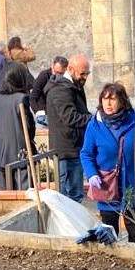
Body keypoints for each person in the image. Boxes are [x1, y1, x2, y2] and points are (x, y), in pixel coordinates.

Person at [80, 82, 135, 242]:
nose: (108, 103)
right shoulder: (94, 125)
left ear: (122, 101)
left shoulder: (134, 122)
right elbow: (86, 154)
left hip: (132, 186)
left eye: (113, 99)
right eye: (104, 99)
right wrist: (92, 174)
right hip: (107, 186)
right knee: (109, 232)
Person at [46, 54, 92, 202]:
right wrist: (93, 119)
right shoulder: (61, 89)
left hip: (74, 146)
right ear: (70, 69)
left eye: (87, 73)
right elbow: (70, 117)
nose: (85, 77)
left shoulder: (74, 86)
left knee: (76, 195)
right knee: (66, 197)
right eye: (82, 73)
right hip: (65, 149)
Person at [0, 64, 35, 190]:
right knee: (23, 196)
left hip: (0, 154)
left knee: (3, 196)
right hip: (20, 154)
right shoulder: (21, 99)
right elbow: (29, 127)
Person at [30, 56, 68, 125]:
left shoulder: (66, 79)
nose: (57, 75)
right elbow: (33, 96)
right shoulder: (44, 76)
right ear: (52, 66)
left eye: (61, 73)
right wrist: (38, 112)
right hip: (44, 116)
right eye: (56, 72)